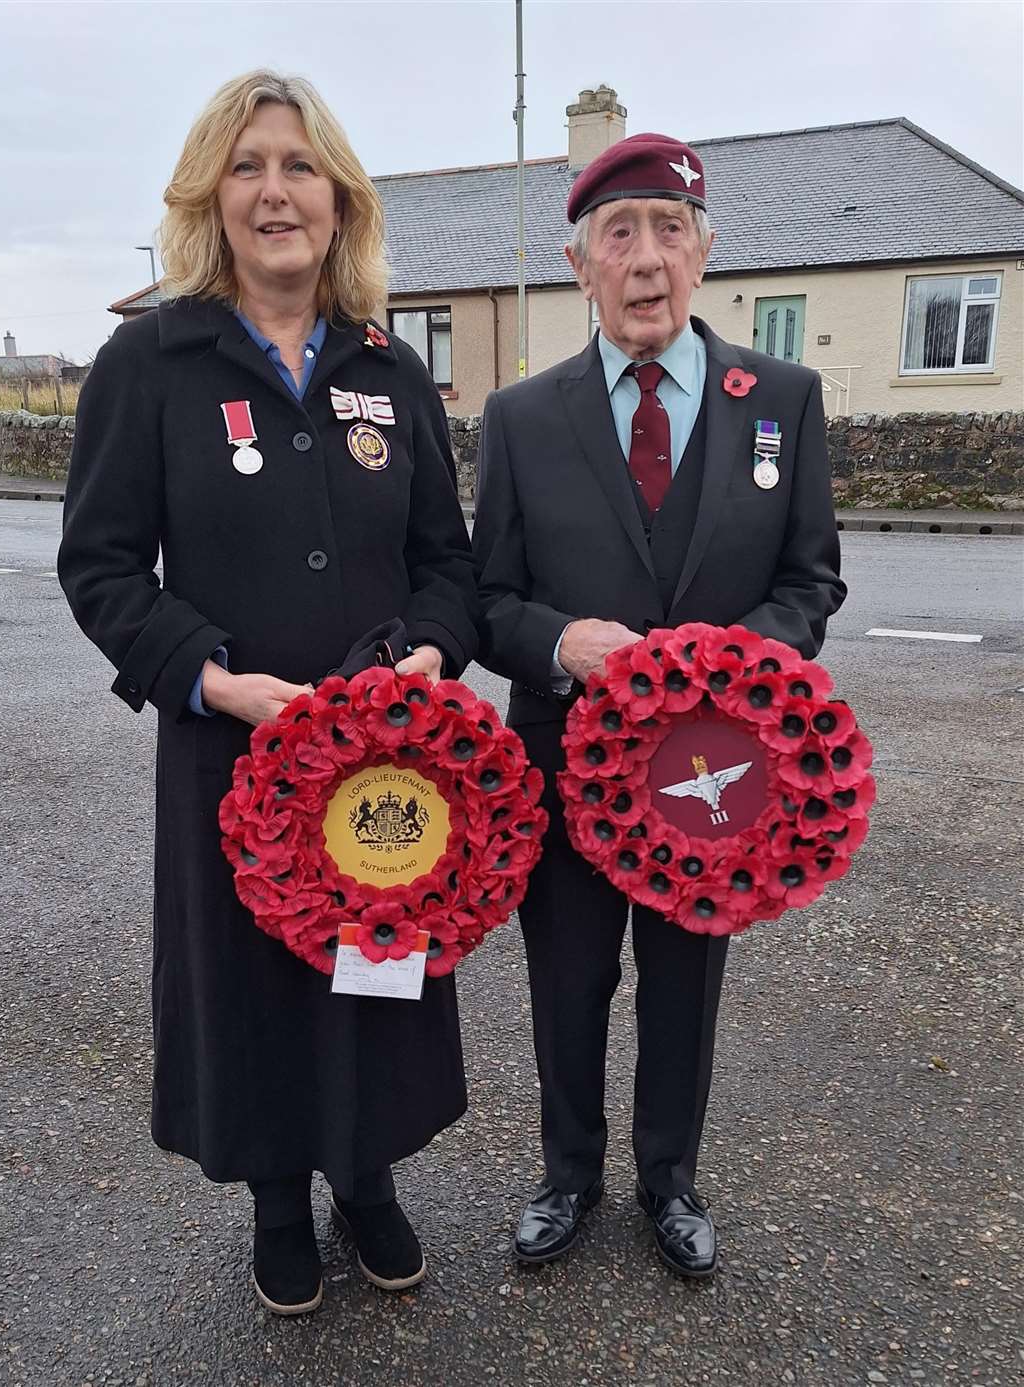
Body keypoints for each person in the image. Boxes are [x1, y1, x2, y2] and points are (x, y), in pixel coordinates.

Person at [58, 70, 478, 1315]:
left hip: (385, 758)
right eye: (248, 166)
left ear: (339, 202)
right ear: (212, 196)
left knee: (375, 958)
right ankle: (280, 1200)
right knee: (257, 977)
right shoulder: (150, 364)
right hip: (230, 747)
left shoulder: (388, 370)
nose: (275, 190)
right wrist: (217, 682)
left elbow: (446, 563)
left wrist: (433, 658)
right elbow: (100, 566)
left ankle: (369, 1173)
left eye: (299, 166)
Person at [472, 133, 845, 1278]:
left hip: (714, 774)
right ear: (581, 265)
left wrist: (731, 662)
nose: (646, 260)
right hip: (565, 766)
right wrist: (559, 642)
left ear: (706, 252)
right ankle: (569, 1172)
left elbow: (811, 581)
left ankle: (668, 1179)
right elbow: (489, 602)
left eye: (668, 232)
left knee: (686, 981)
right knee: (570, 978)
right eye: (618, 236)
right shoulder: (523, 415)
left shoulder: (781, 396)